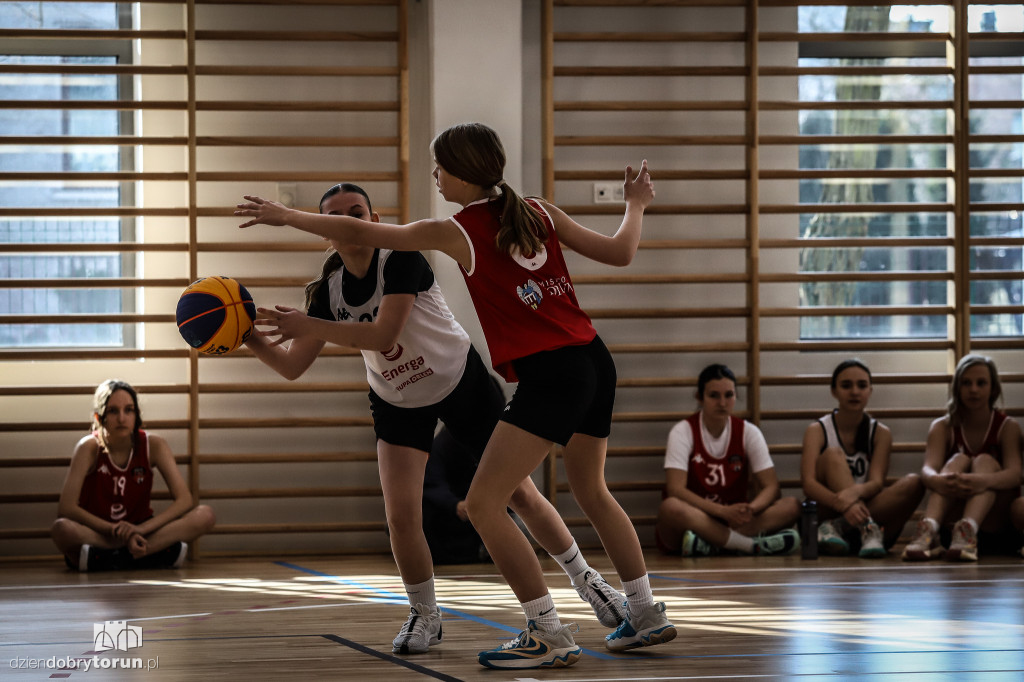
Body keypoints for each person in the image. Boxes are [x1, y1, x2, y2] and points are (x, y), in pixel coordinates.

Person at [236, 123, 676, 670]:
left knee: (489, 502)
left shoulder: (448, 235)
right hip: (589, 359)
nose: (435, 178)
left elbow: (381, 290)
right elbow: (621, 252)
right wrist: (635, 205)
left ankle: (549, 629)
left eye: (439, 169)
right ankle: (644, 612)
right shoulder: (537, 209)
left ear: (462, 171)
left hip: (522, 374)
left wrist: (287, 216)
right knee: (588, 487)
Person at [51, 379, 216, 571]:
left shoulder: (153, 444)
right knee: (62, 529)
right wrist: (114, 531)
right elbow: (66, 508)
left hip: (142, 529)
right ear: (99, 417)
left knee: (206, 515)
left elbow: (185, 500)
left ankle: (112, 557)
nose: (122, 418)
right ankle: (146, 552)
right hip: (102, 532)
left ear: (137, 415)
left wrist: (140, 530)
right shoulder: (88, 448)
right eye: (113, 411)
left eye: (128, 410)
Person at [655, 363, 801, 558]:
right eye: (714, 396)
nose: (722, 403)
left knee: (792, 506)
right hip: (698, 519)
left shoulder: (748, 431)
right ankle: (749, 545)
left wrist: (751, 508)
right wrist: (722, 511)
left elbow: (772, 486)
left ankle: (713, 544)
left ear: (735, 396)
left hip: (736, 519)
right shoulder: (683, 431)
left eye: (729, 395)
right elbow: (675, 489)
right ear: (700, 397)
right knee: (670, 507)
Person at [902, 354, 1022, 561]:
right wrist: (942, 480)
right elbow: (928, 470)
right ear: (957, 387)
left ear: (993, 388)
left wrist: (982, 481)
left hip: (997, 527)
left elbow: (1015, 474)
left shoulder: (1008, 427)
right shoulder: (942, 426)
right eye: (966, 383)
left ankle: (969, 528)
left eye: (981, 383)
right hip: (952, 534)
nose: (973, 389)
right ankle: (929, 529)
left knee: (984, 461)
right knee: (958, 461)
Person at [800, 359, 924, 558]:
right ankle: (858, 526)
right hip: (828, 513)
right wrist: (842, 503)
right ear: (834, 391)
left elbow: (876, 483)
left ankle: (855, 527)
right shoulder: (818, 430)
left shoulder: (881, 432)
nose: (855, 392)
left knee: (915, 482)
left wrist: (855, 493)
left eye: (862, 385)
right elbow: (809, 484)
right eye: (846, 385)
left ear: (870, 391)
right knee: (833, 454)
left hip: (870, 521)